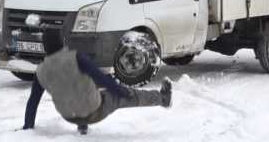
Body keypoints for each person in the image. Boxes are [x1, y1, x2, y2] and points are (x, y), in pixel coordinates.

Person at [22, 30, 172, 135]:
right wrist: (121, 91)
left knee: (72, 87)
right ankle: (163, 99)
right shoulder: (75, 58)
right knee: (123, 95)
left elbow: (33, 101)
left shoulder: (41, 71)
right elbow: (100, 78)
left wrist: (27, 127)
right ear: (62, 42)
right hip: (94, 111)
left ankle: (82, 126)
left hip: (70, 117)